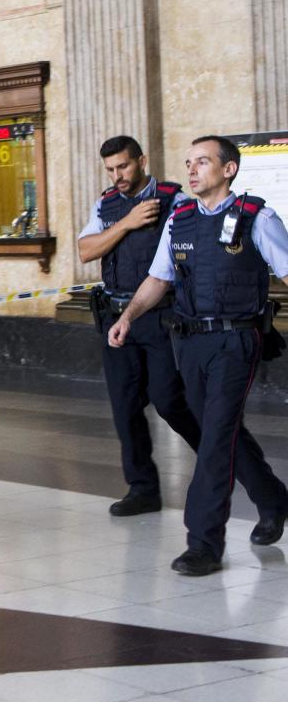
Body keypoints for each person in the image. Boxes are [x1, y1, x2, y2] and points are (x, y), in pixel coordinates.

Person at [110, 135, 288, 575]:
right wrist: (128, 315)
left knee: (214, 439)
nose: (191, 170)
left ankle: (204, 543)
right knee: (215, 429)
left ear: (228, 169)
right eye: (189, 163)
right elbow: (158, 279)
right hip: (189, 343)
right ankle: (272, 498)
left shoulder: (258, 218)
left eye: (203, 162)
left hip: (235, 342)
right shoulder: (180, 220)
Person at [77, 136, 208, 516]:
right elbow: (87, 249)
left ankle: (217, 458)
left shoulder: (174, 200)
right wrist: (128, 222)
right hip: (115, 316)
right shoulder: (106, 204)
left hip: (161, 317)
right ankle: (143, 489)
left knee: (168, 399)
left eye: (124, 166)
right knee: (124, 406)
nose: (118, 176)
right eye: (111, 170)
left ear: (142, 161)